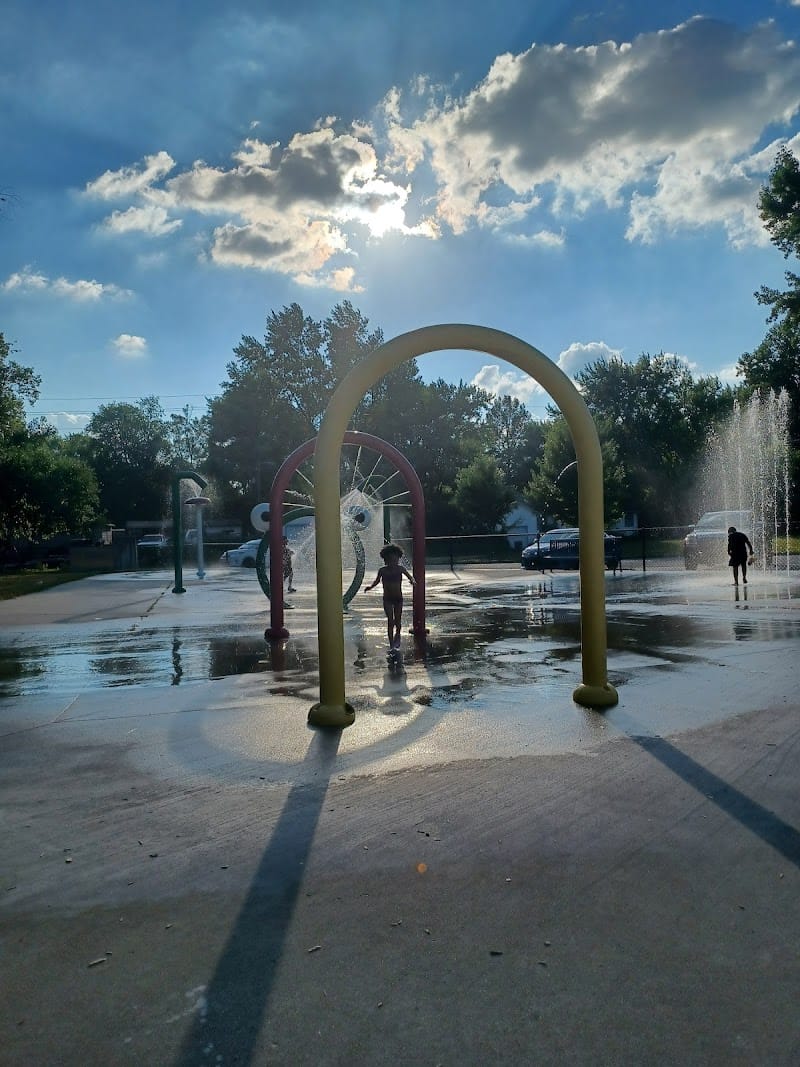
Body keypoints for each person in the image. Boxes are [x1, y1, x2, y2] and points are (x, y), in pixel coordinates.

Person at [364, 543, 415, 650]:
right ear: (385, 560)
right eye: (390, 560)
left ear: (398, 559)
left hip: (398, 599)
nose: (393, 562)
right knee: (390, 621)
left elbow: (411, 577)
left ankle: (398, 634)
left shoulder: (400, 569)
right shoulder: (383, 570)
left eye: (395, 560)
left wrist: (413, 581)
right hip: (387, 599)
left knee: (398, 620)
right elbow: (376, 581)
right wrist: (370, 587)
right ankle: (391, 642)